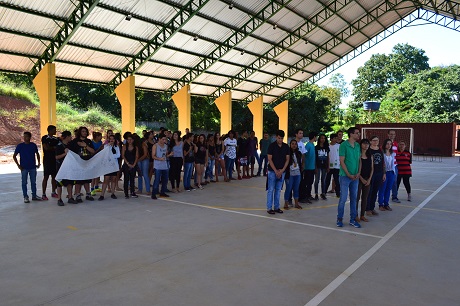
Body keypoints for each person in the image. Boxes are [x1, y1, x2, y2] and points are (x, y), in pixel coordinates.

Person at [336, 127, 361, 228]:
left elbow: (359, 160)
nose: (358, 135)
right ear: (351, 134)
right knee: (343, 198)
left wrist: (358, 172)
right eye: (356, 133)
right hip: (345, 177)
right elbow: (342, 161)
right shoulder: (344, 145)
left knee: (354, 198)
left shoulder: (358, 145)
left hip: (355, 177)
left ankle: (352, 219)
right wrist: (348, 174)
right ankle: (339, 219)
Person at [68, 126, 95, 202]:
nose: (84, 133)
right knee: (78, 180)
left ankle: (88, 194)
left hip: (87, 162)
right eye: (83, 131)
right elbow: (70, 152)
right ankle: (78, 195)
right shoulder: (75, 141)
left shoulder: (89, 141)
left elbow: (93, 151)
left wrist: (85, 146)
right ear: (80, 132)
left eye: (86, 132)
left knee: (87, 180)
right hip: (78, 163)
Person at [13, 131, 42, 203]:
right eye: (24, 136)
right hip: (24, 167)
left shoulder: (33, 145)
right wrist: (18, 165)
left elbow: (37, 154)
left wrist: (38, 163)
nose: (25, 138)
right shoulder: (20, 146)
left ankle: (34, 195)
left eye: (26, 136)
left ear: (30, 137)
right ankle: (25, 196)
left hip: (32, 167)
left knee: (33, 182)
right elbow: (14, 156)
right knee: (24, 182)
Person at [266, 130, 290, 214]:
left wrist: (282, 170)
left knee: (278, 189)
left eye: (282, 138)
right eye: (279, 138)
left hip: (281, 171)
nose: (280, 140)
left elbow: (287, 159)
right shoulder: (272, 146)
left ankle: (277, 207)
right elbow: (269, 159)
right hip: (272, 171)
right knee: (271, 189)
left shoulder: (286, 146)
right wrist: (276, 170)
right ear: (276, 137)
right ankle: (269, 208)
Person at [54, 131, 76, 206]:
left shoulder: (70, 145)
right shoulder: (59, 145)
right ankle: (59, 199)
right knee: (59, 183)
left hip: (69, 167)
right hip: (61, 167)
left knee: (70, 182)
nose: (71, 138)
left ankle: (70, 197)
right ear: (66, 137)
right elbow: (56, 157)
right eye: (70, 136)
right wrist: (65, 154)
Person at [366, 135, 384, 216]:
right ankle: (367, 209)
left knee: (375, 191)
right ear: (370, 141)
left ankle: (372, 208)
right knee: (369, 191)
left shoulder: (380, 150)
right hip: (371, 173)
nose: (376, 142)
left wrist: (384, 173)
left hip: (379, 173)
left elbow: (383, 162)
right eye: (374, 140)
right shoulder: (368, 150)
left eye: (377, 140)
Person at [98, 134, 120, 201]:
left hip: (114, 165)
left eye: (113, 139)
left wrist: (112, 157)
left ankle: (113, 193)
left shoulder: (117, 147)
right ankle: (102, 194)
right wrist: (112, 155)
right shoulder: (106, 147)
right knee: (106, 179)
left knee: (113, 179)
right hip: (108, 165)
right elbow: (106, 155)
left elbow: (118, 155)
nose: (111, 140)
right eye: (110, 139)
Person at [284, 139, 303, 210]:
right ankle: (286, 203)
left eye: (295, 144)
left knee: (296, 189)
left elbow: (300, 163)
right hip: (290, 174)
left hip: (297, 173)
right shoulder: (287, 153)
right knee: (288, 189)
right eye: (292, 144)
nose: (294, 145)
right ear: (290, 145)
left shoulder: (299, 153)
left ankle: (296, 203)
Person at [357, 139, 373, 222]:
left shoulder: (370, 156)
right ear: (361, 145)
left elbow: (372, 168)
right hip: (359, 179)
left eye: (367, 144)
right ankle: (355, 215)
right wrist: (361, 179)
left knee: (365, 198)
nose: (366, 145)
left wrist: (369, 179)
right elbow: (357, 169)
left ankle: (362, 215)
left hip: (367, 179)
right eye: (364, 144)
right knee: (357, 197)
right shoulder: (358, 155)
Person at [41, 125, 59, 200]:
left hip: (54, 159)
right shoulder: (44, 138)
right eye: (54, 130)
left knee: (54, 177)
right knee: (46, 177)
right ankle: (43, 194)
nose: (55, 131)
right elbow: (46, 148)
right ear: (50, 130)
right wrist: (53, 148)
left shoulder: (56, 139)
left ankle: (53, 192)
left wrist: (52, 148)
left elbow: (57, 147)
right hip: (47, 160)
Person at [152, 133, 172, 199]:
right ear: (159, 139)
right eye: (163, 139)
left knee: (165, 180)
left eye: (165, 139)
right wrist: (159, 159)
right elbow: (153, 156)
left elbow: (165, 155)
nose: (164, 141)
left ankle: (162, 192)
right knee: (157, 180)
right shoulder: (155, 146)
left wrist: (169, 155)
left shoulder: (165, 146)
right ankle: (154, 193)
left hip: (164, 165)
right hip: (158, 166)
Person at [378, 139, 396, 211]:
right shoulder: (382, 153)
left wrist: (394, 172)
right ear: (384, 144)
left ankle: (386, 204)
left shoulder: (392, 153)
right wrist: (383, 173)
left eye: (390, 144)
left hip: (391, 172)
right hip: (384, 173)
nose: (389, 145)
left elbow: (393, 164)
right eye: (387, 144)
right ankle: (380, 204)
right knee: (382, 188)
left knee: (388, 189)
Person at [121, 133, 139, 199]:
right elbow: (123, 156)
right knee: (126, 179)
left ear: (133, 140)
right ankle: (126, 193)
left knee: (132, 179)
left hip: (133, 164)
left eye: (131, 139)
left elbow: (137, 156)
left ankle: (132, 192)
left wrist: (134, 164)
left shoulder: (135, 147)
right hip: (126, 164)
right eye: (128, 140)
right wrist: (127, 163)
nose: (129, 141)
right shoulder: (124, 147)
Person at [303, 131, 318, 202]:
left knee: (310, 182)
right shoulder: (308, 145)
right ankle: (306, 196)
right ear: (314, 137)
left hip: (312, 167)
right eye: (316, 136)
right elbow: (304, 154)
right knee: (307, 182)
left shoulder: (312, 145)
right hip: (307, 167)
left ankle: (308, 195)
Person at [314, 134, 329, 200]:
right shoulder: (316, 148)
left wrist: (328, 166)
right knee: (317, 180)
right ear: (319, 139)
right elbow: (315, 157)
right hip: (318, 165)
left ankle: (323, 193)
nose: (322, 139)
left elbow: (328, 157)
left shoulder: (326, 148)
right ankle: (316, 193)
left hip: (324, 166)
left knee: (324, 180)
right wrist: (315, 166)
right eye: (321, 138)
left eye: (324, 138)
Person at [325, 133, 340, 198]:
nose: (336, 139)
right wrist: (327, 166)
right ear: (331, 139)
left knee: (337, 180)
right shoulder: (327, 146)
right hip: (329, 166)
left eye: (337, 138)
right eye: (335, 138)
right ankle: (324, 192)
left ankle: (338, 193)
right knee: (327, 180)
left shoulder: (339, 146)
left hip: (337, 166)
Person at [388, 129, 401, 203]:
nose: (392, 135)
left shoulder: (396, 143)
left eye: (393, 134)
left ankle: (394, 196)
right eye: (391, 134)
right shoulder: (385, 143)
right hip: (387, 166)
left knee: (395, 181)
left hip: (394, 165)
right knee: (386, 182)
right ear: (388, 135)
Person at [90, 131, 103, 196]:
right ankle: (92, 189)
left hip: (99, 160)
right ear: (97, 137)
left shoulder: (100, 142)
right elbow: (93, 152)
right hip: (93, 159)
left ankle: (96, 187)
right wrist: (99, 149)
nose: (101, 138)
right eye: (100, 136)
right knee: (93, 175)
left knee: (98, 174)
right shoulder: (91, 143)